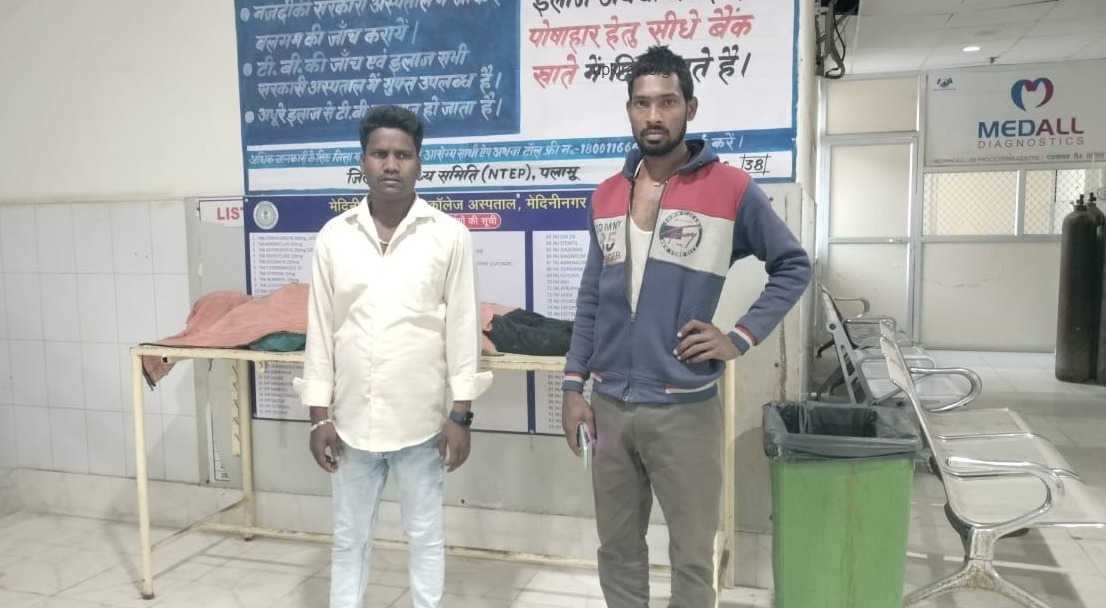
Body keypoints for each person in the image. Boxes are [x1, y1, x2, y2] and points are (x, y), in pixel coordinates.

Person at [560, 46, 812, 607]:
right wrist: (574, 385)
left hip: (684, 410)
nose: (654, 115)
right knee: (616, 549)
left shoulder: (731, 189)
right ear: (629, 110)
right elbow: (591, 297)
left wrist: (739, 337)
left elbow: (793, 266)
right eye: (642, 103)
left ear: (689, 108)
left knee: (692, 556)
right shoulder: (606, 196)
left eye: (667, 102)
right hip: (610, 406)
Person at [294, 104, 492, 608]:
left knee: (425, 537)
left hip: (421, 425)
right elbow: (321, 331)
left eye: (402, 155)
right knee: (349, 539)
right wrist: (319, 419)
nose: (390, 164)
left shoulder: (448, 235)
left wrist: (461, 415)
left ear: (418, 163)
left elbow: (462, 331)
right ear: (362, 161)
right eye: (379, 153)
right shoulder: (335, 237)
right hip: (350, 424)